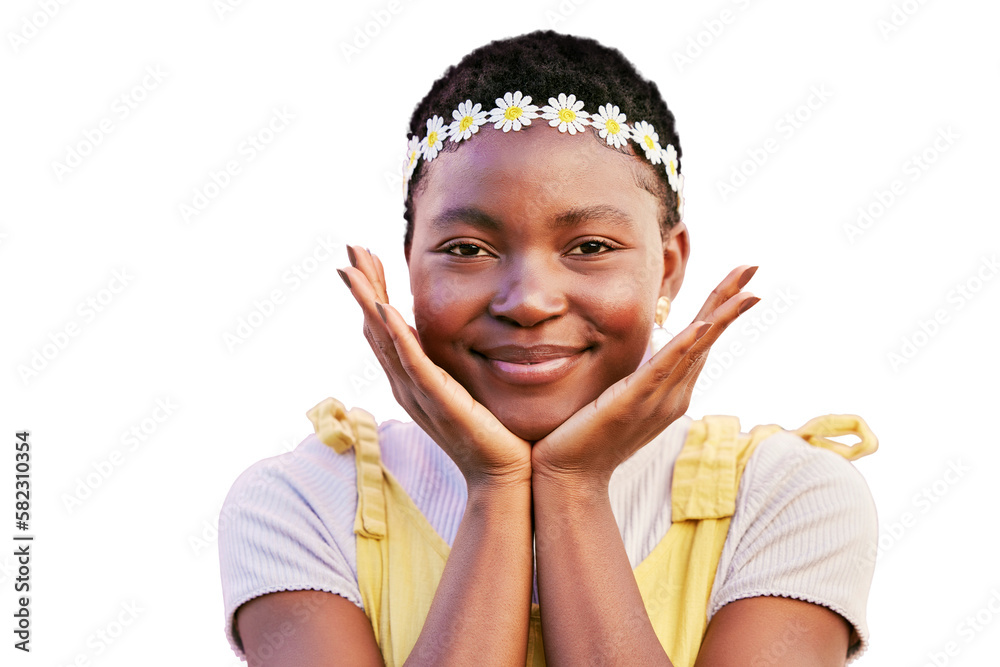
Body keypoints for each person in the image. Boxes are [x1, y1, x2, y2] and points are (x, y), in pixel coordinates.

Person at [219, 30, 878, 666]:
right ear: (409, 269)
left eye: (590, 247)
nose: (529, 300)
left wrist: (574, 488)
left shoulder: (788, 497)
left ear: (669, 266)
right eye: (467, 250)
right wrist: (496, 486)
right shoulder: (303, 502)